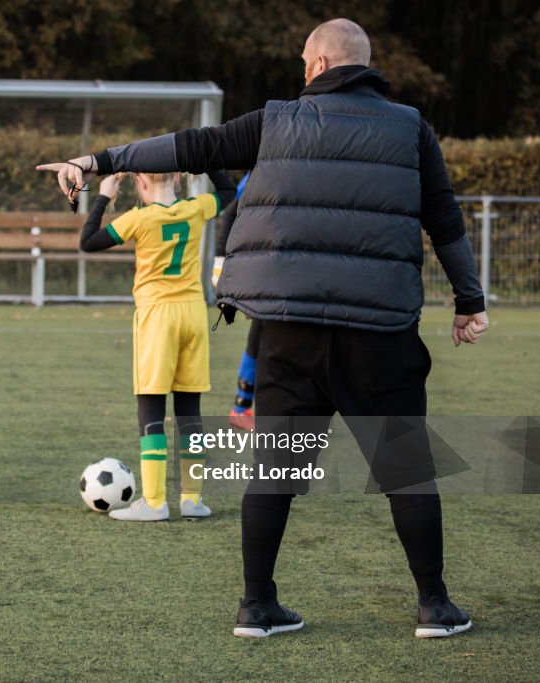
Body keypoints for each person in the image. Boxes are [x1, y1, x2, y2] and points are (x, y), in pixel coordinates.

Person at [40, 18, 489, 638]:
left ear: (323, 64)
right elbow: (444, 216)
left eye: (306, 62)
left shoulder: (277, 120)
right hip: (379, 333)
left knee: (274, 472)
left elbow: (191, 147)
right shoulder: (411, 126)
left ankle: (257, 606)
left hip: (289, 332)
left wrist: (100, 161)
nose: (302, 71)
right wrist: (470, 299)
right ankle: (435, 607)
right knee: (406, 470)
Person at [79, 169, 236, 521]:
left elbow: (88, 241)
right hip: (194, 315)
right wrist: (205, 159)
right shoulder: (197, 208)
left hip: (158, 318)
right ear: (179, 179)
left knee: (151, 411)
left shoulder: (139, 217)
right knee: (189, 411)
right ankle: (192, 500)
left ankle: (154, 502)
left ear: (140, 183)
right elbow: (228, 190)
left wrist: (104, 195)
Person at [212, 173, 260, 431]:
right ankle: (241, 408)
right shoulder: (261, 169)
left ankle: (242, 407)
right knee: (265, 330)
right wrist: (220, 259)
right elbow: (231, 210)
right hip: (265, 265)